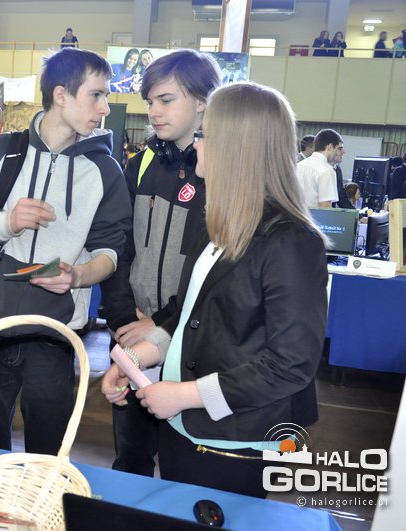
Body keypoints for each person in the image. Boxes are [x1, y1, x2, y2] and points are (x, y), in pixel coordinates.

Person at [103, 82, 328, 498]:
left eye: (205, 135)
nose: (196, 144)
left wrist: (184, 395)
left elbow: (290, 363)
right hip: (186, 427)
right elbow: (187, 312)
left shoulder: (291, 242)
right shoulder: (217, 225)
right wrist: (138, 357)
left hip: (236, 440)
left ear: (236, 146)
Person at [0, 47, 132, 455]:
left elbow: (111, 251)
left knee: (48, 455)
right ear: (61, 95)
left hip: (55, 334)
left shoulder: (105, 170)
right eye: (96, 95)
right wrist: (5, 222)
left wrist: (78, 276)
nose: (104, 108)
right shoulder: (0, 152)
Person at [99, 49, 221, 478]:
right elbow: (118, 246)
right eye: (150, 101)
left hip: (188, 342)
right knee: (129, 461)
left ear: (203, 102)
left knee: (182, 468)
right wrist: (121, 316)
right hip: (131, 332)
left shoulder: (221, 176)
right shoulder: (140, 164)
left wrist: (162, 323)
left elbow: (215, 275)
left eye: (166, 100)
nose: (153, 112)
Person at [295, 128, 343, 208]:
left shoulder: (298, 166)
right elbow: (325, 208)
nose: (338, 153)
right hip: (314, 216)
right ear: (330, 147)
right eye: (338, 148)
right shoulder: (327, 170)